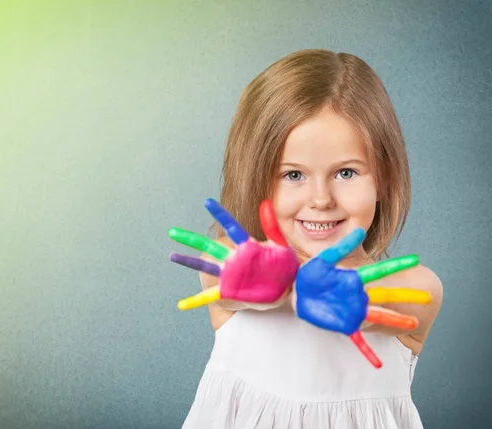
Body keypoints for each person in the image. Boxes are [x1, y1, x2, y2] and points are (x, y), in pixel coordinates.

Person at [180, 49, 443, 428]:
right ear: (257, 178)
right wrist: (276, 285)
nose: (321, 199)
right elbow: (222, 275)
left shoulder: (411, 288)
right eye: (293, 175)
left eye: (347, 173)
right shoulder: (235, 260)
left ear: (383, 178)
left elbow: (409, 297)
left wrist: (337, 295)